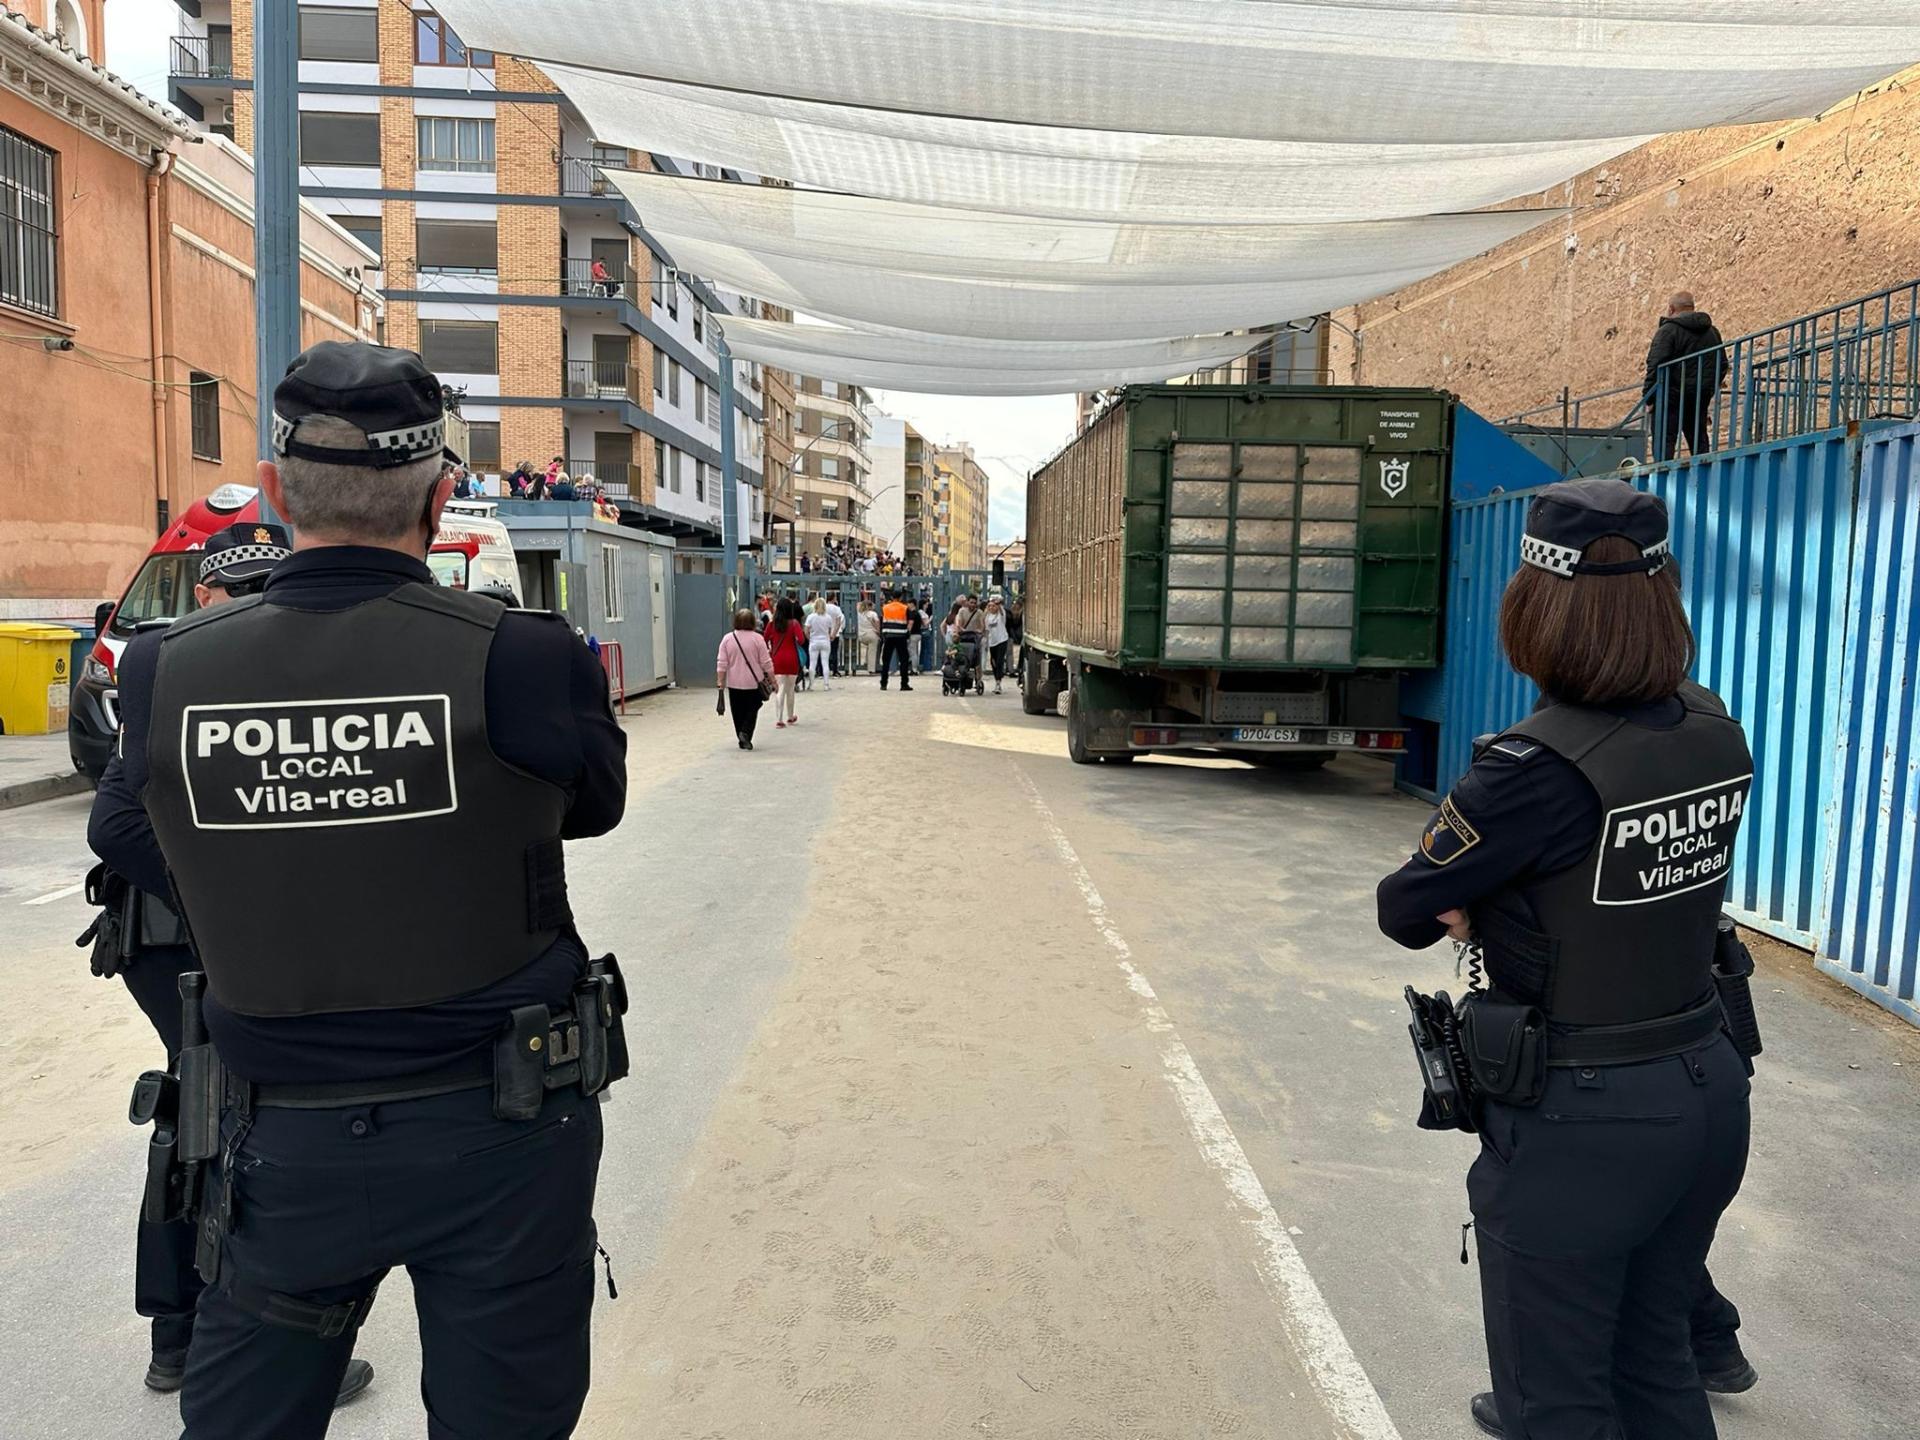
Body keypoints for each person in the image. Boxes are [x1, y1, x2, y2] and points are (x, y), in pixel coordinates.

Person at [92, 341, 628, 1440]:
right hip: (501, 1126)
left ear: (276, 491)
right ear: (440, 498)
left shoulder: (162, 667)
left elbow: (128, 827)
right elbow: (589, 806)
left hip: (276, 1142)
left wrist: (260, 861)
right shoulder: (526, 656)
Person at [1377, 479, 1754, 1440]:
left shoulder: (1529, 771)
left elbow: (1406, 909)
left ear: (1533, 608)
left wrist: (1489, 907)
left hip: (1584, 1116)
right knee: (1655, 1358)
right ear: (1663, 597)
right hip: (1709, 1083)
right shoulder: (1713, 725)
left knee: (1557, 1400)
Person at [83, 525, 379, 1408]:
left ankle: (194, 1334)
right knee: (225, 1118)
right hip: (180, 941)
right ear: (203, 596)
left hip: (226, 940)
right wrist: (228, 894)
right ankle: (219, 1339)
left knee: (211, 1113)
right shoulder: (176, 671)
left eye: (263, 587)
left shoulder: (281, 669)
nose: (248, 605)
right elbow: (115, 826)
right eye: (235, 590)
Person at [1645, 292, 1727, 463]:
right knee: (1699, 439)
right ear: (1692, 307)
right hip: (1699, 395)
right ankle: (1704, 473)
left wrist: (1649, 397)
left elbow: (1655, 364)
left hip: (1670, 395)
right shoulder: (1712, 332)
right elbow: (1722, 364)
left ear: (1671, 309)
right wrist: (1708, 388)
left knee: (1664, 441)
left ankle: (1662, 473)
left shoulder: (1667, 330)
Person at [716, 607, 773, 750]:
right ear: (752, 622)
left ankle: (741, 737)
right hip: (753, 682)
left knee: (737, 711)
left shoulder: (727, 639)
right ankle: (746, 733)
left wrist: (720, 681)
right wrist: (773, 679)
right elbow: (766, 662)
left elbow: (722, 663)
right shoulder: (758, 639)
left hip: (734, 683)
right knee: (753, 707)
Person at [765, 596, 806, 726]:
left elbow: (764, 639)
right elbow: (801, 640)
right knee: (790, 689)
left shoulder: (771, 624)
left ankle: (779, 719)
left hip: (777, 659)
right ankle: (790, 716)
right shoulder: (794, 623)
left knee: (780, 688)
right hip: (792, 659)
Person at [878, 589, 913, 690]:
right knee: (904, 660)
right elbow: (910, 622)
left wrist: (883, 633)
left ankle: (883, 683)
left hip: (888, 636)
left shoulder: (885, 607)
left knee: (886, 660)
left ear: (891, 597)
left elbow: (882, 620)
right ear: (901, 597)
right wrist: (908, 633)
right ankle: (904, 684)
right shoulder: (905, 608)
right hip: (901, 636)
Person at [954, 594, 989, 696]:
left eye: (974, 603)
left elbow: (982, 626)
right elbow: (959, 623)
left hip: (974, 638)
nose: (973, 604)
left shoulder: (979, 613)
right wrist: (961, 629)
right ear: (967, 602)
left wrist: (980, 631)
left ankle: (978, 679)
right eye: (971, 602)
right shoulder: (962, 611)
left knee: (977, 659)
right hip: (964, 637)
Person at [983, 594, 1012, 695]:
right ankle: (996, 678)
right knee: (993, 662)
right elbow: (986, 629)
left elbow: (1001, 607)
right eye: (990, 606)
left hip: (1002, 640)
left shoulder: (1001, 615)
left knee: (999, 661)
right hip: (992, 642)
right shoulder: (987, 617)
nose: (992, 608)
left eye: (993, 606)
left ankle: (998, 682)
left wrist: (997, 602)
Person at [804, 597, 835, 689]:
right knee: (825, 663)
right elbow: (829, 630)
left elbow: (806, 630)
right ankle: (826, 685)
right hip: (825, 641)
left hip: (814, 641)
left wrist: (809, 638)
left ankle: (811, 685)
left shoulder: (811, 617)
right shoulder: (828, 617)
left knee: (812, 664)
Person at [856, 598, 880, 675]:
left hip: (861, 636)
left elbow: (857, 604)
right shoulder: (873, 614)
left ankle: (866, 662)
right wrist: (878, 632)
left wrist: (863, 603)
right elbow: (877, 622)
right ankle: (871, 670)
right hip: (871, 634)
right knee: (872, 651)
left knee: (868, 648)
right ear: (870, 606)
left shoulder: (859, 613)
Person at [825, 592, 846, 676]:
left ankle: (822, 670)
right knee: (834, 653)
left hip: (824, 633)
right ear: (834, 598)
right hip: (835, 633)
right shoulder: (837, 609)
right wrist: (834, 633)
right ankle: (835, 671)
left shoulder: (824, 607)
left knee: (824, 653)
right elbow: (839, 622)